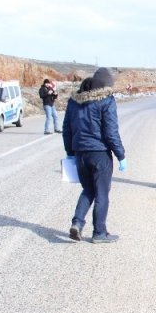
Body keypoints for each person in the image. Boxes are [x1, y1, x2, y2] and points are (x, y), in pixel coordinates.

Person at [63, 67, 127, 244]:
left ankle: (77, 223)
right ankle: (99, 232)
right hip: (99, 153)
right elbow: (111, 132)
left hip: (80, 154)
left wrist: (70, 152)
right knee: (102, 193)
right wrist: (121, 155)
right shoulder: (106, 100)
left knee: (88, 189)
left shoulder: (74, 101)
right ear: (106, 84)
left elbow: (67, 129)